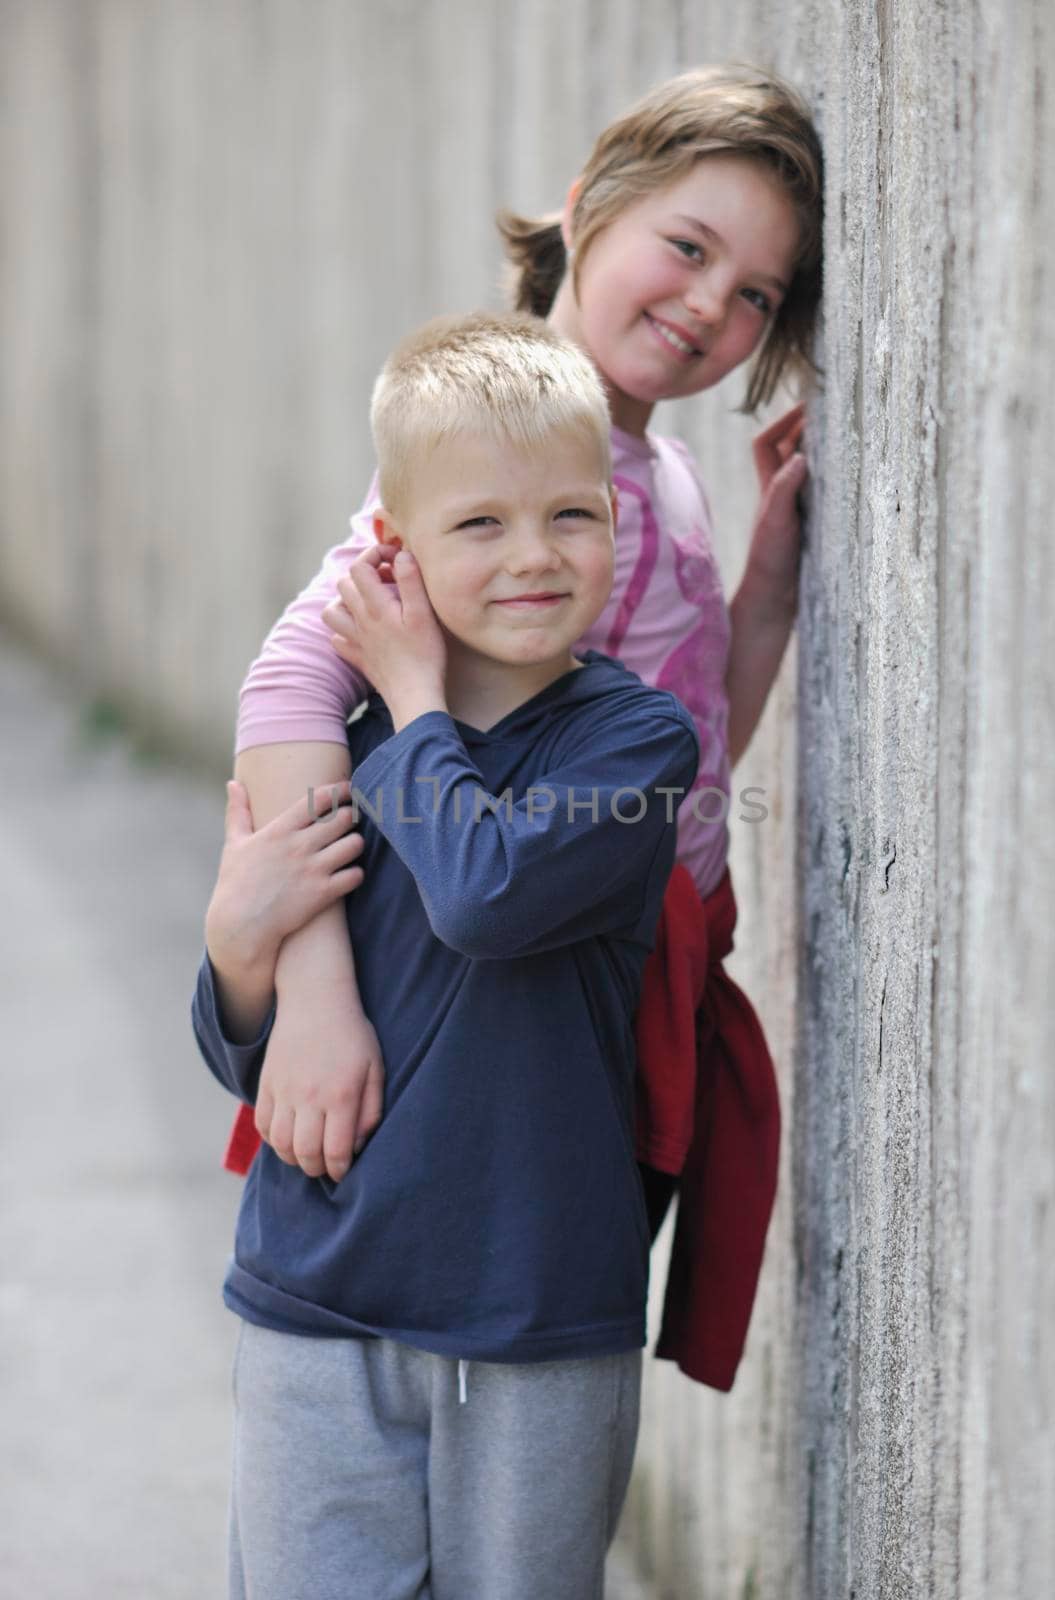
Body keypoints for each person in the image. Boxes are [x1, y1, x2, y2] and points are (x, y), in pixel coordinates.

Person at [222, 64, 824, 1389]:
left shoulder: (655, 473)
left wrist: (764, 601)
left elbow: (686, 739)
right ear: (586, 209)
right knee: (480, 1336)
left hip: (618, 955)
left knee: (550, 1325)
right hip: (496, 955)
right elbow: (291, 680)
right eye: (687, 246)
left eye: (757, 296)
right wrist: (317, 991)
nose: (709, 305)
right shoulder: (492, 450)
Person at [194, 311, 699, 1599]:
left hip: (531, 1309)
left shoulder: (633, 750)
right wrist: (238, 948)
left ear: (616, 525)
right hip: (318, 1293)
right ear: (394, 550)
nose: (533, 557)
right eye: (480, 524)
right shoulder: (334, 744)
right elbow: (245, 1045)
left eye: (571, 516)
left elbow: (484, 891)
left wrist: (416, 701)